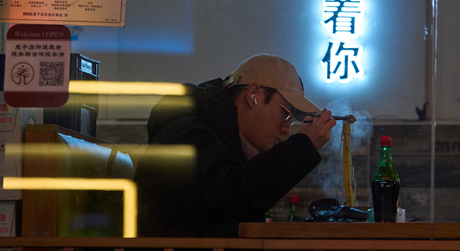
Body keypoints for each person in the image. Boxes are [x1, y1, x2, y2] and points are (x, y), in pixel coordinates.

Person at [133, 53, 336, 238]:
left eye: (291, 120)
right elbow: (232, 197)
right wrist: (302, 146)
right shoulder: (190, 129)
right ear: (253, 95)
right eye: (286, 113)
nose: (286, 129)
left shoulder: (220, 132)